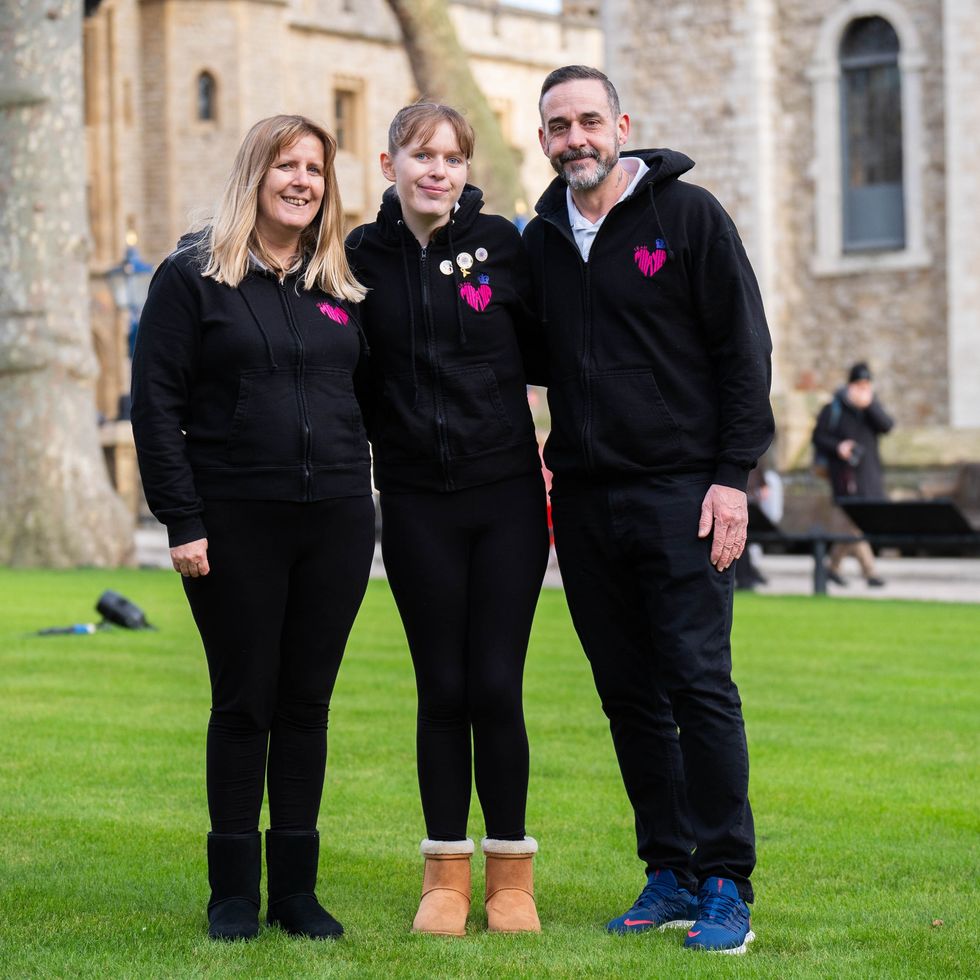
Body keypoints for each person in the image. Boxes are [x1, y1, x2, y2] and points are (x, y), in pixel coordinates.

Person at [524, 66, 774, 955]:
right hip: (587, 500)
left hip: (683, 493)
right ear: (543, 138)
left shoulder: (690, 217)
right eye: (559, 126)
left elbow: (744, 350)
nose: (576, 138)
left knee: (700, 688)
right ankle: (667, 871)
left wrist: (731, 475)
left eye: (590, 120)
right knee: (628, 696)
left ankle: (725, 882)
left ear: (621, 123)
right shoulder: (539, 240)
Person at [131, 115, 375, 942]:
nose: (302, 180)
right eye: (286, 166)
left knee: (306, 705)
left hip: (338, 521)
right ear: (255, 175)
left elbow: (377, 399)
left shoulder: (338, 283)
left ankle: (296, 894)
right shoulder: (192, 276)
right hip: (234, 523)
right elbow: (156, 407)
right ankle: (232, 892)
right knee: (245, 704)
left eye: (315, 168)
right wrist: (182, 520)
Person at [345, 104, 549, 936]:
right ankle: (444, 878)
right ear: (386, 161)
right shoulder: (355, 257)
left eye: (452, 156)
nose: (437, 169)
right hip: (417, 501)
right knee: (443, 687)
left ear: (468, 167)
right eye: (420, 154)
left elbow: (561, 351)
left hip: (504, 499)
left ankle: (511, 878)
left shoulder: (505, 245)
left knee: (496, 685)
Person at [812, 361, 894, 587]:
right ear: (849, 385)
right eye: (858, 384)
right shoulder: (834, 409)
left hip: (868, 476)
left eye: (866, 384)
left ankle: (832, 567)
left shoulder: (871, 410)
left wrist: (870, 406)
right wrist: (839, 447)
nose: (862, 389)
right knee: (853, 525)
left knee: (854, 526)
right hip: (844, 477)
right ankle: (870, 573)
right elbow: (818, 437)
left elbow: (887, 426)